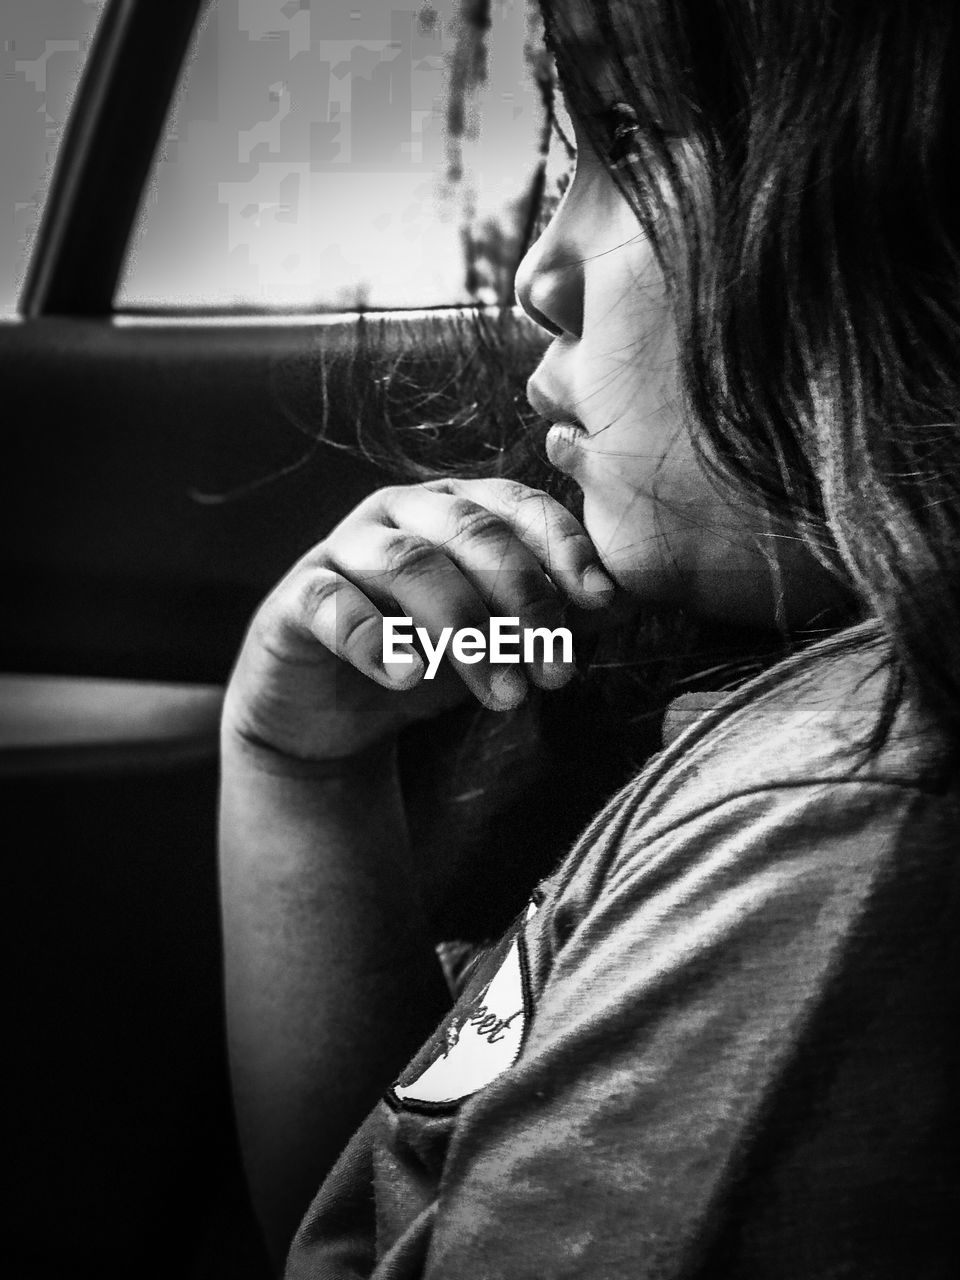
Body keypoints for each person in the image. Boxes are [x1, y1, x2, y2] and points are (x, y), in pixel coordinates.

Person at [218, 1, 960, 1275]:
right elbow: (388, 1204)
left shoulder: (826, 836)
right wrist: (304, 777)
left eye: (630, 134)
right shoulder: (787, 747)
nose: (538, 274)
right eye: (573, 153)